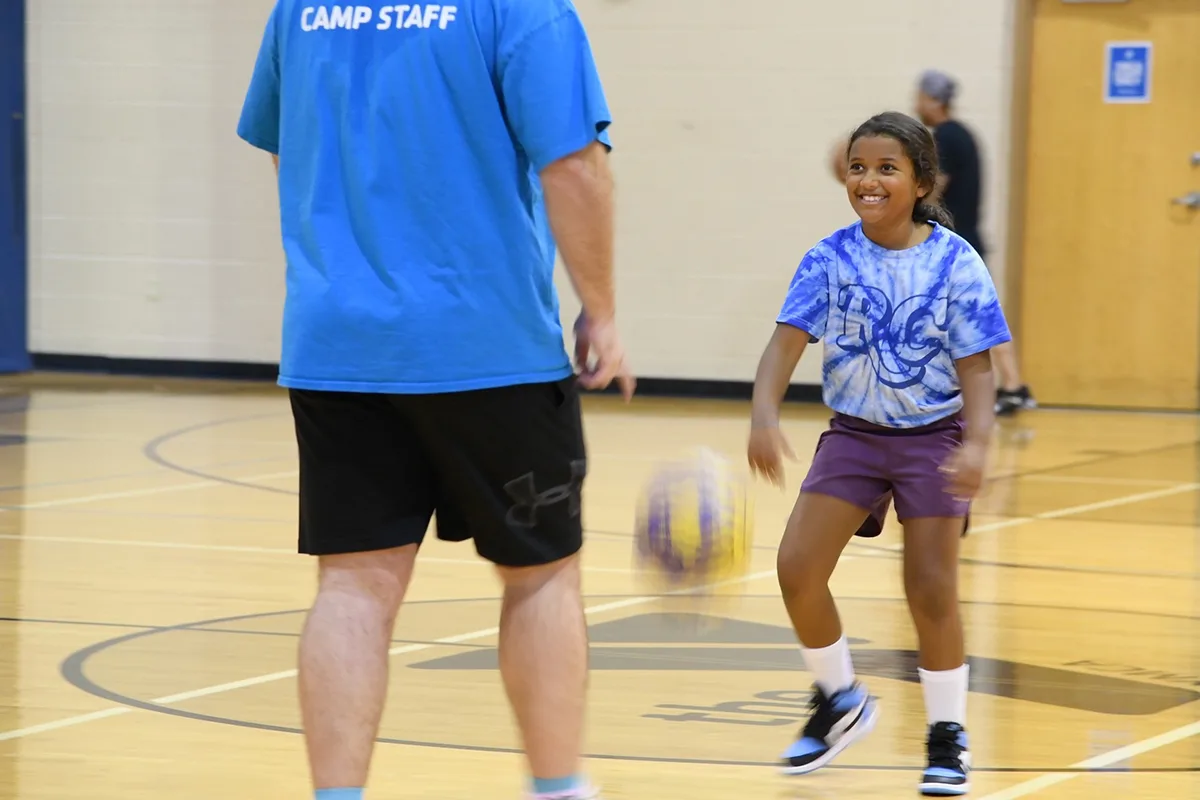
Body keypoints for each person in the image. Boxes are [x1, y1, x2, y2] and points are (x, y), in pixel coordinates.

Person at [236, 2, 634, 799]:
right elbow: (573, 164)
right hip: (487, 340)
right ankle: (558, 789)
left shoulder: (301, 9)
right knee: (541, 575)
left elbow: (286, 150)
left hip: (336, 342)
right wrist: (601, 307)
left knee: (352, 582)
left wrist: (343, 263)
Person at [749, 111, 1011, 797]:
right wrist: (763, 414)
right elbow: (786, 342)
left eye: (887, 168)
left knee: (930, 590)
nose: (869, 180)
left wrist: (980, 442)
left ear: (921, 182)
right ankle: (840, 700)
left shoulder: (955, 262)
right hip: (856, 436)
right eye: (858, 167)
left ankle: (947, 735)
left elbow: (979, 367)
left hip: (935, 438)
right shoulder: (829, 256)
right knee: (796, 567)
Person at [914, 69, 1035, 417]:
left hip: (956, 242)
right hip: (968, 238)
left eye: (920, 97)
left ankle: (1010, 387)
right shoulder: (963, 134)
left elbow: (935, 187)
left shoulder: (947, 138)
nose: (916, 103)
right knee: (980, 315)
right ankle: (1013, 386)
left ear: (933, 99)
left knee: (977, 317)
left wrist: (909, 216)